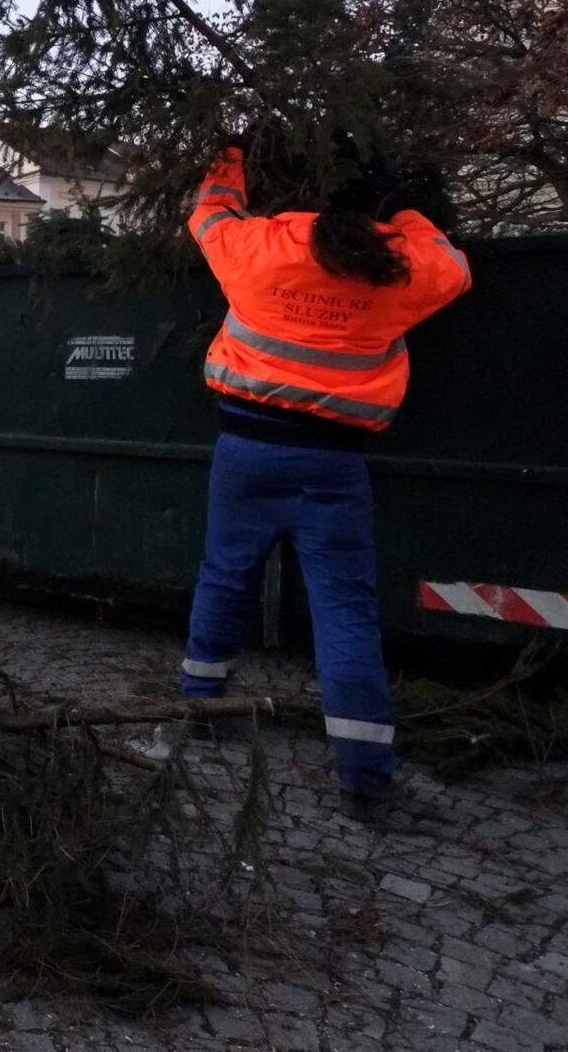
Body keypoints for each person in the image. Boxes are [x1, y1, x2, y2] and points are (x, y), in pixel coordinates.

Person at [177, 138, 471, 824]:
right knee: (344, 613)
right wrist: (407, 213)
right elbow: (453, 268)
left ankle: (201, 706)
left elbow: (210, 213)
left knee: (225, 577)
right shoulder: (395, 262)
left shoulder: (259, 246)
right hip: (334, 463)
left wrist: (231, 147)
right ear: (373, 200)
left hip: (246, 448)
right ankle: (366, 783)